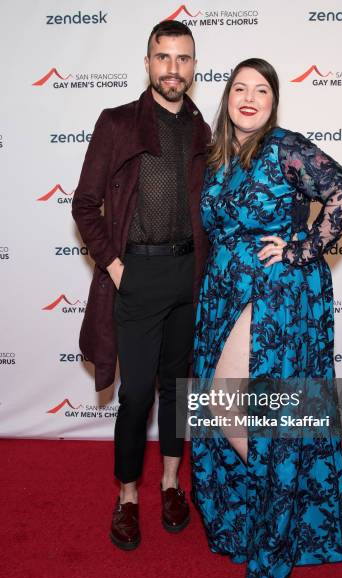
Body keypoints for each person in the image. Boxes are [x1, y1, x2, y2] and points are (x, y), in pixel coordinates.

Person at [190, 58, 342, 578]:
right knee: (231, 406)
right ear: (226, 98)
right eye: (239, 88)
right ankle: (278, 502)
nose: (248, 97)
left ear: (273, 101)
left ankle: (280, 510)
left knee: (227, 401)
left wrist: (303, 246)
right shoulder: (219, 157)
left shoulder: (286, 148)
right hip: (222, 293)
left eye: (260, 89)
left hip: (272, 296)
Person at [72, 20, 211, 550]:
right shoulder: (117, 123)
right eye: (163, 57)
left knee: (179, 391)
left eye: (183, 58)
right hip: (137, 273)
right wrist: (112, 264)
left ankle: (172, 483)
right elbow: (85, 204)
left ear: (194, 67)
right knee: (134, 396)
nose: (173, 68)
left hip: (189, 274)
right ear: (148, 62)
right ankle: (128, 495)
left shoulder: (205, 130)